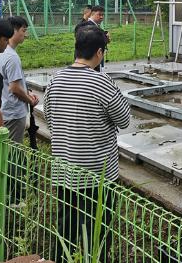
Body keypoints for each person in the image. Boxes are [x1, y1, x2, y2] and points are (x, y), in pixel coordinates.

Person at [44, 27, 130, 260]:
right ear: (99, 52)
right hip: (97, 174)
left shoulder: (55, 80)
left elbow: (50, 119)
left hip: (64, 170)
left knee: (66, 228)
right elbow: (125, 120)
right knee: (98, 231)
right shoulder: (101, 82)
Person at [0, 16, 39, 144]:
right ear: (13, 31)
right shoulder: (11, 57)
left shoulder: (0, 51)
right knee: (12, 152)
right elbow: (14, 88)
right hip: (13, 113)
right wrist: (29, 100)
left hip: (3, 109)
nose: (25, 35)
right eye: (23, 30)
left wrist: (26, 92)